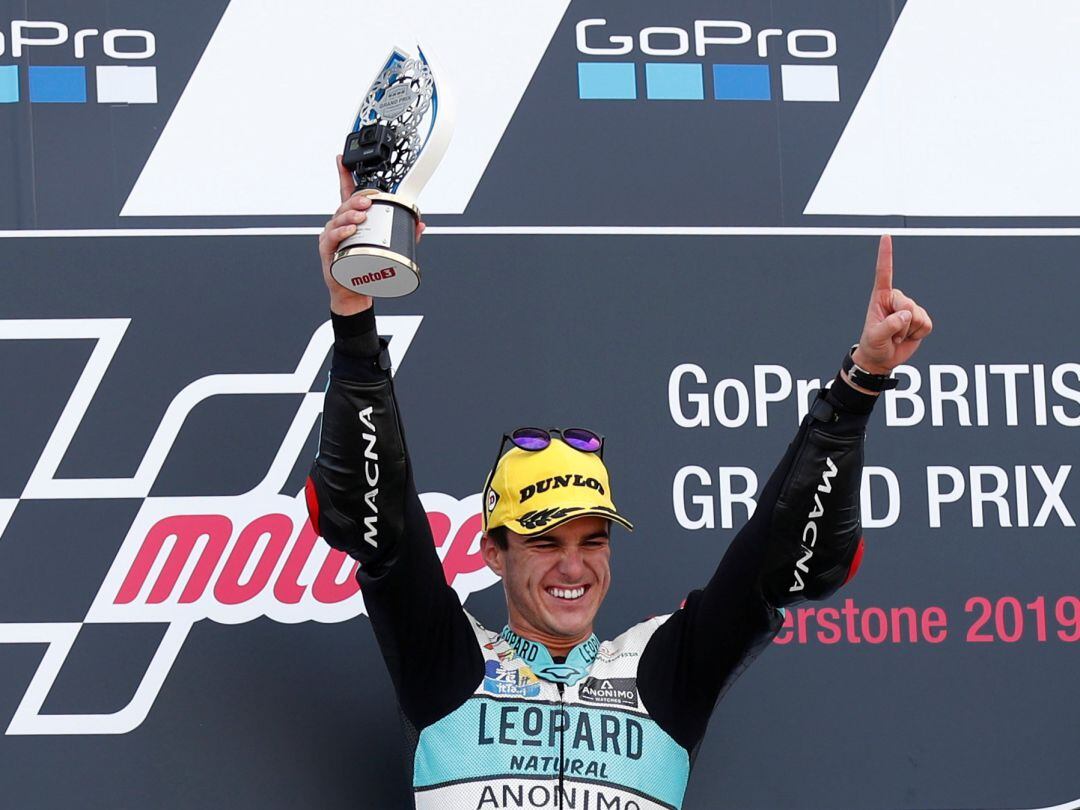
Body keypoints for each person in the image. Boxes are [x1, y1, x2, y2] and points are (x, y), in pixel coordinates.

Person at [305, 158, 932, 810]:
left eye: (592, 538)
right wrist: (353, 313)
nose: (573, 564)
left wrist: (861, 382)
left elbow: (779, 556)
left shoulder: (662, 671)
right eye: (545, 541)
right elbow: (375, 517)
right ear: (494, 552)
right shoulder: (448, 662)